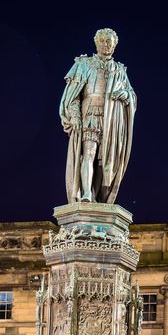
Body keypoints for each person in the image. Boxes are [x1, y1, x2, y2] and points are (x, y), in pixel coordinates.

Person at [59, 28, 137, 204]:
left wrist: (125, 95)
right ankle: (86, 193)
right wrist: (75, 116)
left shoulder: (119, 70)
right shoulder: (84, 64)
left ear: (114, 45)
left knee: (105, 161)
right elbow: (72, 96)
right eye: (102, 41)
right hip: (90, 114)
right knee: (88, 153)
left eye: (109, 41)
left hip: (112, 121)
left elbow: (132, 95)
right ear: (96, 43)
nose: (106, 44)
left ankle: (97, 196)